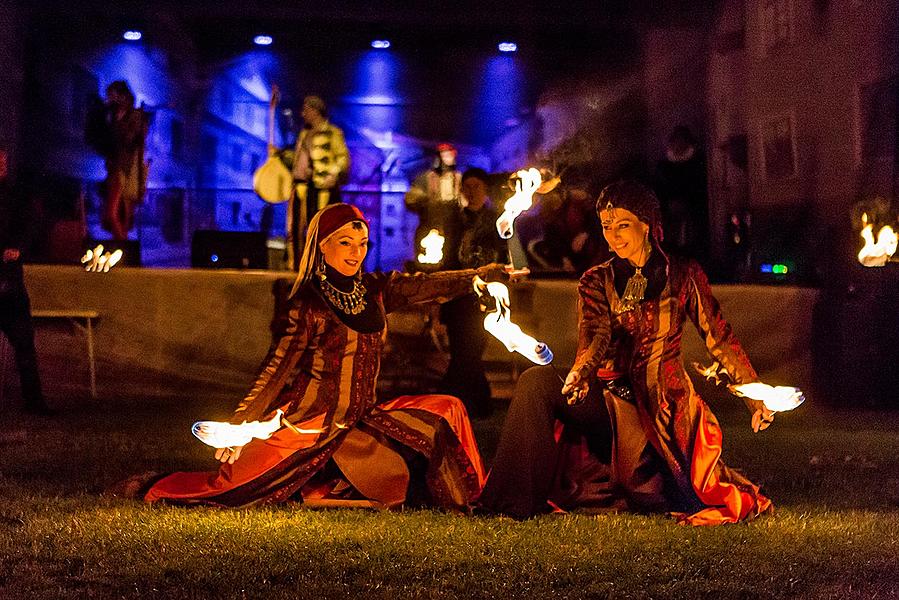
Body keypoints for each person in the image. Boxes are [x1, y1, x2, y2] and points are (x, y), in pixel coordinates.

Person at [135, 203, 509, 509]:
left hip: (362, 421)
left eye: (362, 243)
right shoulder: (308, 304)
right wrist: (240, 426)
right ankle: (321, 485)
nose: (356, 252)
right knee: (239, 490)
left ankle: (477, 499)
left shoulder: (375, 290)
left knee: (446, 411)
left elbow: (427, 286)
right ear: (323, 246)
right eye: (345, 243)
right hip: (309, 426)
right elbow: (275, 370)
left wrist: (480, 275)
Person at [478, 180, 774, 525]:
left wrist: (756, 395)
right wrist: (580, 372)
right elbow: (595, 334)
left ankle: (660, 476)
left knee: (678, 495)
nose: (613, 236)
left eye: (622, 226)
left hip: (661, 406)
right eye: (606, 226)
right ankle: (510, 504)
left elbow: (719, 337)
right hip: (606, 398)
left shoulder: (683, 274)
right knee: (536, 382)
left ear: (646, 225)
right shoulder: (595, 280)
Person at [438, 168, 508, 417]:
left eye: (476, 186)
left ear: (485, 189)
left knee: (470, 351)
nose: (471, 192)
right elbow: (448, 258)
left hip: (485, 296)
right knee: (462, 352)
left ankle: (456, 401)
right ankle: (474, 405)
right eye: (467, 187)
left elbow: (502, 255)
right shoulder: (456, 220)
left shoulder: (496, 220)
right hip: (459, 296)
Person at [0, 148, 53, 415]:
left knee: (24, 343)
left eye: (4, 158)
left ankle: (34, 402)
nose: (2, 164)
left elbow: (32, 223)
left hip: (9, 282)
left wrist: (18, 248)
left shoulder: (15, 195)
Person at [287, 95, 349, 270]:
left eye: (306, 110)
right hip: (304, 188)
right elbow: (299, 160)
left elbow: (342, 158)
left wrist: (332, 174)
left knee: (323, 229)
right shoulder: (304, 134)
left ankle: (322, 267)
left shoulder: (333, 133)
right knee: (298, 229)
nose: (303, 114)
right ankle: (299, 267)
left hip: (323, 188)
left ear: (315, 111)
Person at [89, 80, 148, 241]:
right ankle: (123, 246)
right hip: (115, 166)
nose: (110, 98)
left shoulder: (134, 115)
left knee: (114, 213)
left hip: (125, 168)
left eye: (112, 95)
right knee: (115, 214)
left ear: (122, 96)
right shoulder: (113, 115)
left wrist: (118, 121)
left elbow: (130, 140)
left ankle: (124, 246)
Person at [655, 125, 709, 264]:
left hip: (692, 212)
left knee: (691, 243)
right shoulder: (663, 167)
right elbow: (660, 190)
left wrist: (688, 204)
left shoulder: (698, 163)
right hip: (670, 214)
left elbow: (700, 188)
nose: (679, 144)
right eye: (676, 141)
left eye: (682, 140)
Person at [404, 142, 462, 263]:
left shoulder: (459, 178)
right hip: (429, 226)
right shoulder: (425, 178)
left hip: (453, 227)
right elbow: (410, 200)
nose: (447, 159)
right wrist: (426, 204)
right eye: (444, 155)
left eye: (450, 155)